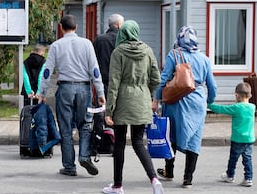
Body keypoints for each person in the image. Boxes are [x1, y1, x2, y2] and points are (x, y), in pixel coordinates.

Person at [38, 14, 106, 177]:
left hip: (65, 88)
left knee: (66, 128)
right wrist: (101, 92)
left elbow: (47, 70)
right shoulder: (87, 44)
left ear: (61, 28)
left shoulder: (56, 45)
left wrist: (42, 92)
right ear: (76, 27)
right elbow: (95, 70)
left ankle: (69, 166)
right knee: (84, 124)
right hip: (84, 88)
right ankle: (84, 155)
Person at [102, 20, 164, 194]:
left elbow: (114, 83)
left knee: (120, 143)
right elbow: (156, 79)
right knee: (138, 142)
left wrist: (109, 111)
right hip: (142, 100)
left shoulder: (118, 52)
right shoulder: (148, 50)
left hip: (122, 100)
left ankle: (118, 185)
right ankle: (154, 179)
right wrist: (146, 92)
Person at [152, 26, 217, 188]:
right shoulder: (205, 59)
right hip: (198, 102)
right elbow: (212, 85)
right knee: (194, 140)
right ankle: (188, 178)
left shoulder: (174, 54)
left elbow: (164, 78)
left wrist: (156, 99)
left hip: (176, 102)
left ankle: (169, 171)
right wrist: (209, 101)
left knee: (171, 135)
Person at [208, 82, 256, 187]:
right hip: (250, 139)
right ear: (250, 95)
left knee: (233, 158)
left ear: (237, 95)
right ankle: (248, 178)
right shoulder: (253, 107)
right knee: (247, 159)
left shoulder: (237, 107)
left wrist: (209, 105)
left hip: (238, 139)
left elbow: (222, 109)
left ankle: (230, 176)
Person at [93, 13, 124, 97]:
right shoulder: (124, 41)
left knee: (102, 108)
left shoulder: (99, 40)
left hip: (102, 83)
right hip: (121, 83)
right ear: (119, 25)